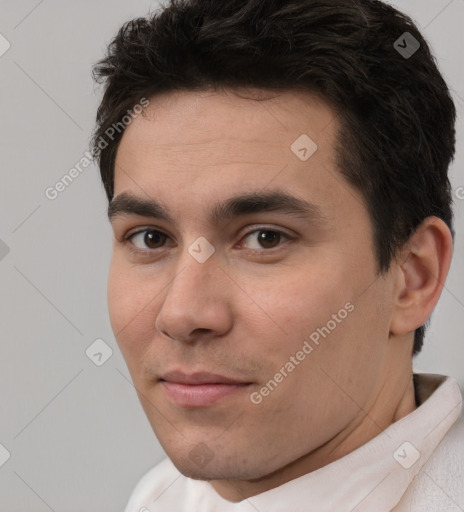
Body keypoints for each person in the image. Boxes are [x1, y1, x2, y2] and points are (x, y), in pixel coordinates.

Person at [90, 0, 463, 510]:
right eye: (151, 238)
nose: (181, 314)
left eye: (265, 238)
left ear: (413, 276)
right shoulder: (162, 498)